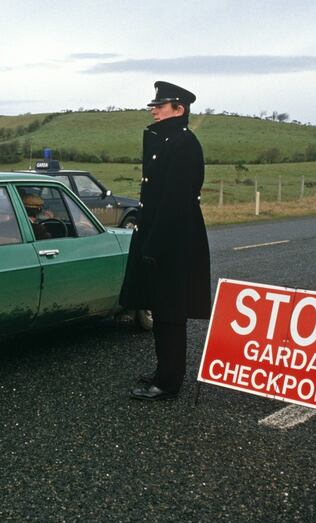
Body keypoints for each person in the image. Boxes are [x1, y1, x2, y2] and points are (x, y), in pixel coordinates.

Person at [120, 81, 211, 400]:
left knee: (171, 312)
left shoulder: (184, 144)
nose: (154, 110)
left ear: (179, 109)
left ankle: (169, 382)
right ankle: (163, 372)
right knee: (161, 308)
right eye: (154, 106)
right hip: (161, 235)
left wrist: (155, 245)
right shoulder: (167, 140)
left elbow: (175, 202)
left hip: (174, 239)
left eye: (161, 106)